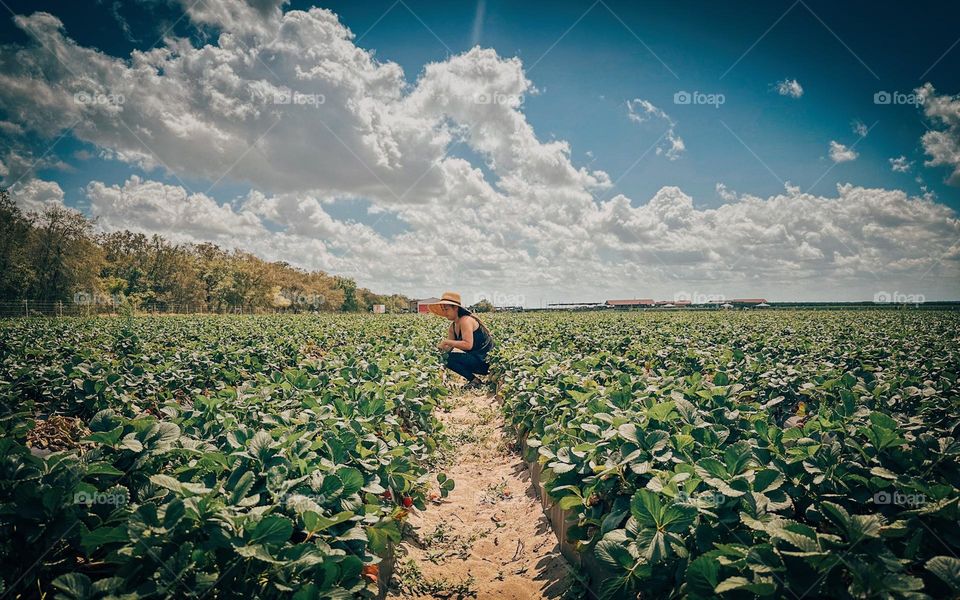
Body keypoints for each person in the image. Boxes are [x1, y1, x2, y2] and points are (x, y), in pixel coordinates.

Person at [427, 291, 494, 388]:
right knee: (446, 357)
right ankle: (474, 380)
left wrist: (446, 342)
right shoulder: (453, 327)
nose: (445, 313)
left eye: (446, 309)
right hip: (476, 360)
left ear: (456, 308)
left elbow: (468, 345)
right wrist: (436, 353)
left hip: (486, 363)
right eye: (443, 310)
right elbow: (448, 350)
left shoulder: (466, 321)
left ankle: (475, 381)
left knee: (449, 358)